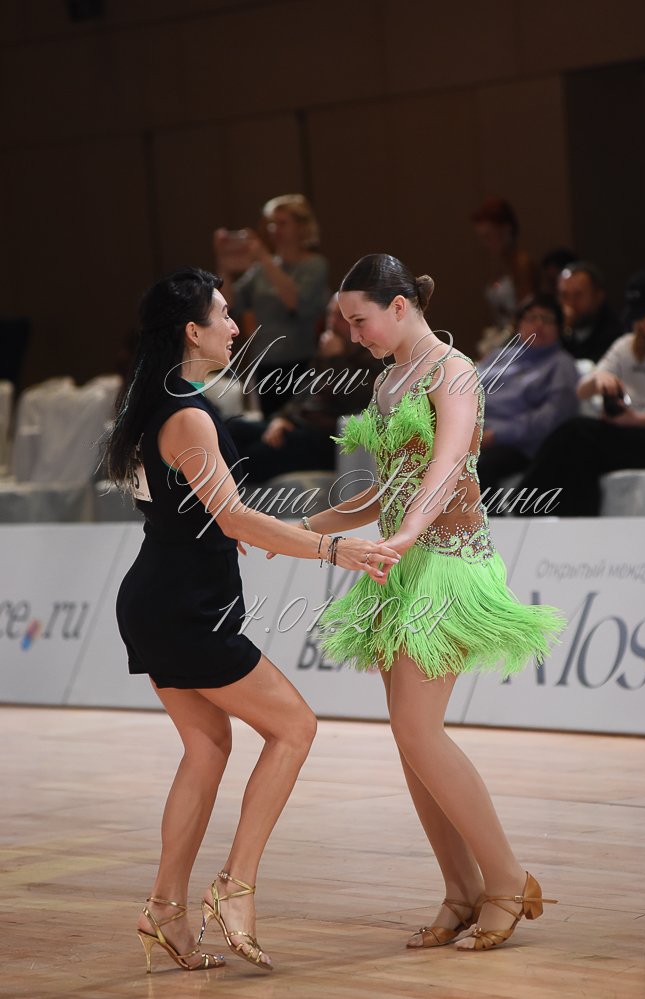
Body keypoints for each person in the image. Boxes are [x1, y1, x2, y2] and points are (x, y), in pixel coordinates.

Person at [107, 267, 400, 974]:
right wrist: (336, 550)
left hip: (157, 598)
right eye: (224, 314)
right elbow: (235, 517)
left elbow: (208, 515)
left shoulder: (155, 402)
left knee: (207, 747)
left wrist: (266, 529)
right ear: (192, 331)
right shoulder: (188, 415)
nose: (236, 326)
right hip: (185, 609)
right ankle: (234, 887)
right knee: (294, 727)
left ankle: (165, 909)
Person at [289, 254, 563, 952]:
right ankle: (461, 889)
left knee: (418, 732)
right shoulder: (388, 382)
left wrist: (410, 529)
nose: (353, 335)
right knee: (410, 738)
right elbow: (386, 487)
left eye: (360, 321)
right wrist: (303, 530)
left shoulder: (454, 370)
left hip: (448, 566)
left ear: (400, 305)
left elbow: (444, 467)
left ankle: (508, 880)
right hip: (401, 566)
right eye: (347, 324)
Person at [517, 268, 645, 516]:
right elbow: (582, 391)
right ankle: (571, 521)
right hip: (631, 431)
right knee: (577, 451)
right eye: (636, 315)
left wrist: (636, 419)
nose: (641, 322)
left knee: (578, 435)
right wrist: (599, 378)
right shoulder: (627, 346)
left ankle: (521, 506)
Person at [227, 293, 382, 484]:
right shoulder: (328, 348)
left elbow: (352, 398)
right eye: (330, 314)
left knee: (248, 458)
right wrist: (283, 417)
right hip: (300, 426)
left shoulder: (373, 353)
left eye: (341, 316)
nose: (332, 322)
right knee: (234, 429)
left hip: (326, 438)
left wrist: (336, 359)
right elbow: (303, 392)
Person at [213, 193, 329, 418]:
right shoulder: (262, 269)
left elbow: (297, 302)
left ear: (301, 227)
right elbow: (229, 303)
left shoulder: (314, 265)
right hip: (266, 361)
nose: (274, 230)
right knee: (269, 425)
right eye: (272, 224)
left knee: (297, 426)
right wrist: (223, 264)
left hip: (301, 361)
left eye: (282, 223)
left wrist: (265, 258)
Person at [476, 294, 579, 494]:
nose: (539, 325)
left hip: (520, 444)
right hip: (475, 433)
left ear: (559, 328)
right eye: (532, 318)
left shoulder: (561, 364)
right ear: (519, 324)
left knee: (475, 468)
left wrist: (495, 435)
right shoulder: (499, 356)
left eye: (547, 319)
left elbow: (551, 418)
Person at [471, 197, 538, 358]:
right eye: (482, 238)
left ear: (506, 230)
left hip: (522, 344)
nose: (485, 244)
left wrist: (499, 343)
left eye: (489, 236)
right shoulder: (500, 266)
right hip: (504, 339)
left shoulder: (522, 265)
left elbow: (526, 313)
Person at [557, 261, 623, 361]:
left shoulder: (616, 336)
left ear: (598, 296)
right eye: (564, 295)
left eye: (578, 295)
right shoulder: (555, 332)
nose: (570, 304)